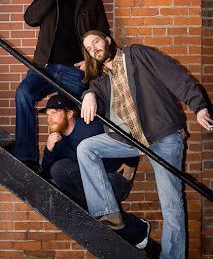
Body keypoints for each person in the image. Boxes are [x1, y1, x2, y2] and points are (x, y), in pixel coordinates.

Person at [77, 30, 213, 259]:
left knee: (171, 205)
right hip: (132, 140)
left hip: (163, 137)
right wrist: (88, 95)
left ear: (108, 40)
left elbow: (174, 75)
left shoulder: (137, 55)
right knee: (86, 148)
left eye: (96, 42)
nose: (94, 49)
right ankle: (108, 212)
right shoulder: (101, 80)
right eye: (89, 49)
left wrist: (198, 106)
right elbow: (94, 100)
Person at [14, 0, 110, 172]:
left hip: (75, 71)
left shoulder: (92, 1)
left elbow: (104, 36)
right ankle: (27, 157)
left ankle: (68, 169)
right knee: (24, 93)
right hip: (45, 66)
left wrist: (91, 62)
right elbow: (30, 19)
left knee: (77, 118)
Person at [40, 94, 150, 250]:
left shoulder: (90, 125)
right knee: (58, 169)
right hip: (92, 183)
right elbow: (48, 173)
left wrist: (131, 161)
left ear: (70, 113)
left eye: (54, 112)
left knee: (87, 196)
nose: (49, 118)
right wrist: (49, 149)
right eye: (47, 114)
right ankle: (136, 229)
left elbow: (125, 134)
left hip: (116, 178)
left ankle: (131, 227)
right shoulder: (58, 140)